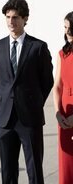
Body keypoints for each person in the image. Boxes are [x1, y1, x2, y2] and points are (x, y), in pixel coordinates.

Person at [0, 0, 53, 184]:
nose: (11, 21)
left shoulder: (38, 47)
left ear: (25, 19)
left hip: (29, 117)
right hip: (4, 119)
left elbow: (47, 81)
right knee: (7, 170)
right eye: (7, 17)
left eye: (15, 17)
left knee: (34, 168)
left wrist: (32, 101)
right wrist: (8, 98)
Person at [53, 11, 73, 184]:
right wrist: (58, 112)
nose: (68, 32)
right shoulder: (62, 54)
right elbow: (57, 86)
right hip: (65, 115)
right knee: (66, 163)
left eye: (71, 28)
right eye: (65, 28)